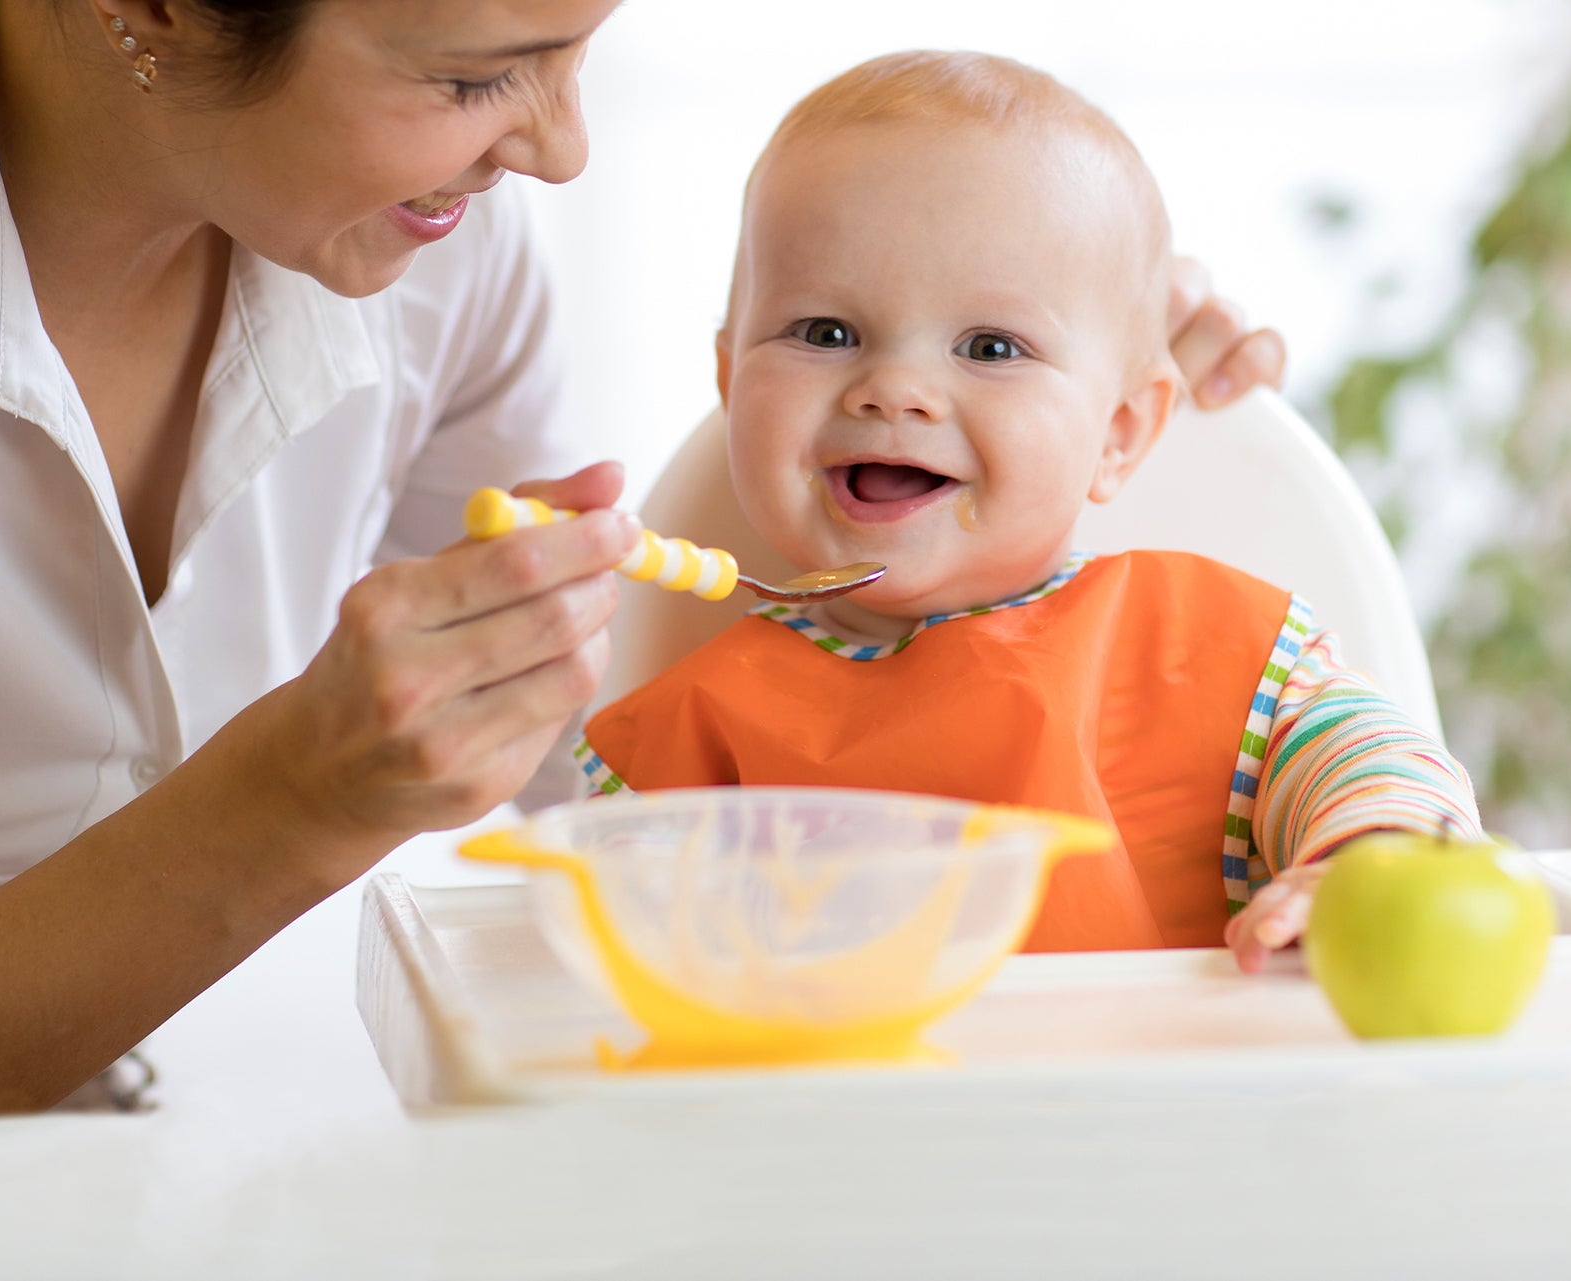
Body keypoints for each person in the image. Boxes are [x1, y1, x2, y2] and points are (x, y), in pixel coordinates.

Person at [0, 2, 1278, 1117]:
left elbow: (578, 779)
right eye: (474, 76)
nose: (560, 151)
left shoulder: (439, 255)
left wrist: (1047, 296)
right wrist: (284, 808)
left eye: (581, 47)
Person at [575, 51, 1481, 965]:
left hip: (1182, 1101)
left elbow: (1378, 760)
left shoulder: (1198, 646)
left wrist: (1366, 857)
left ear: (1120, 430)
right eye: (827, 333)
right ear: (733, 382)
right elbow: (615, 970)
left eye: (991, 346)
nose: (894, 389)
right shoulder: (699, 724)